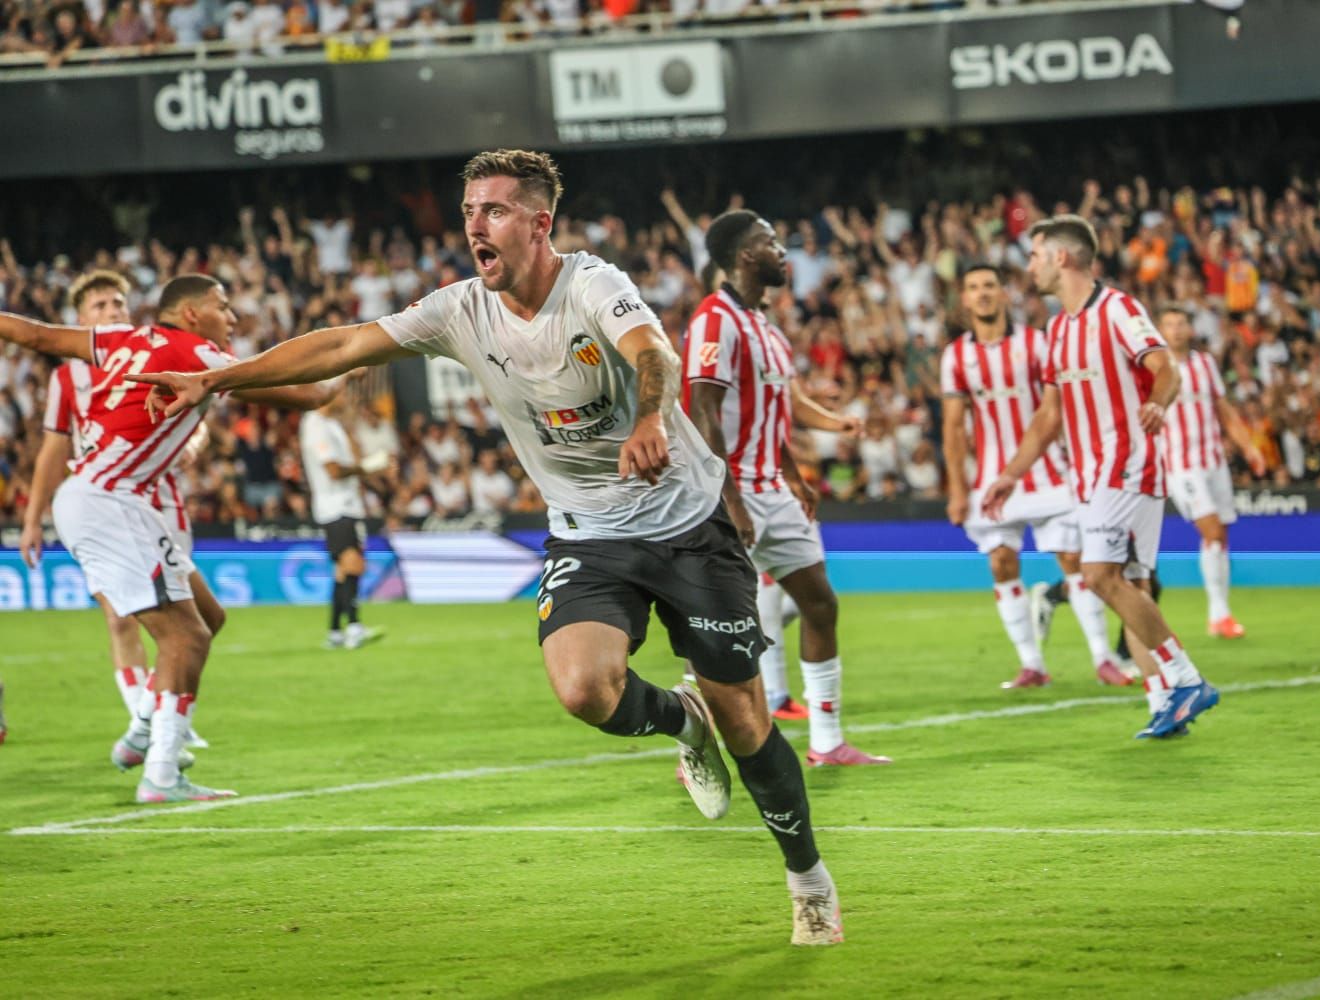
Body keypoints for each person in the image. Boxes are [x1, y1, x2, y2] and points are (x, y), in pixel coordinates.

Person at [130, 150, 844, 946]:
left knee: (748, 720)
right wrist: (218, 379)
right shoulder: (458, 309)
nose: (475, 223)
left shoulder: (593, 284)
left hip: (687, 524)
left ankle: (807, 876)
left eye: (495, 210)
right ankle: (682, 723)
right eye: (470, 210)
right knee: (583, 689)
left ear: (540, 224)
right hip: (589, 533)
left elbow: (655, 353)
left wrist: (648, 419)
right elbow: (340, 347)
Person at [0, 274, 335, 802]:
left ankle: (144, 731)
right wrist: (355, 368)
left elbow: (38, 337)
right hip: (110, 500)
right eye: (224, 307)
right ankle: (160, 771)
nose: (233, 318)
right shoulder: (198, 353)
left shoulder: (120, 340)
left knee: (207, 618)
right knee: (184, 637)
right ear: (194, 313)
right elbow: (308, 394)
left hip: (110, 497)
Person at [982, 215, 1218, 739]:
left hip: (1126, 464)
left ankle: (1186, 677)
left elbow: (1165, 367)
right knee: (1130, 585)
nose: (1031, 266)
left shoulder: (1118, 309)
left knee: (1097, 575)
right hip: (1091, 475)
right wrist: (1009, 475)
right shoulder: (1057, 329)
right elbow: (1049, 415)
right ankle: (1165, 704)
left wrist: (1157, 404)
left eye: (1036, 255)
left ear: (1061, 258)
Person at [683, 210, 889, 767]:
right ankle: (695, 753)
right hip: (728, 492)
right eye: (771, 243)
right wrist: (728, 499)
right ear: (745, 256)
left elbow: (776, 410)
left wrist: (799, 471)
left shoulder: (767, 328)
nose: (783, 252)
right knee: (716, 624)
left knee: (820, 603)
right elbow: (703, 411)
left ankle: (827, 741)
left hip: (773, 487)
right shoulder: (714, 319)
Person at [18, 270, 215, 764]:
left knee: (203, 617)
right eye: (100, 306)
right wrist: (32, 517)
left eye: (118, 302)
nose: (112, 311)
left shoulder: (148, 353)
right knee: (123, 616)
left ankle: (150, 720)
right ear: (81, 320)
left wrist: (194, 442)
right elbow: (53, 448)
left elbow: (199, 414)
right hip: (106, 502)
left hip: (163, 499)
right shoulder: (68, 378)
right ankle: (147, 727)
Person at [941, 264, 1130, 689]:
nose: (983, 293)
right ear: (965, 299)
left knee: (1073, 561)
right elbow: (953, 428)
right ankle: (1032, 665)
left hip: (1049, 474)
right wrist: (956, 489)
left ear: (1004, 294)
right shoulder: (956, 356)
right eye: (973, 287)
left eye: (989, 285)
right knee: (1001, 563)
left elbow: (1060, 409)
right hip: (991, 479)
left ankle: (1103, 658)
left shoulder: (1037, 343)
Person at [1158, 304, 1268, 638]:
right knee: (1212, 531)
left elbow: (1223, 409)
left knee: (1221, 536)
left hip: (1213, 461)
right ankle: (1218, 613)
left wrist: (1249, 447)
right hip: (1180, 464)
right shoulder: (1153, 368)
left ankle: (1220, 612)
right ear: (1160, 331)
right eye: (1170, 324)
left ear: (1190, 329)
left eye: (1181, 323)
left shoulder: (1205, 364)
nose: (1176, 330)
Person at [299, 388, 385, 650]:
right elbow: (334, 470)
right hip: (336, 507)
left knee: (342, 572)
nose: (347, 398)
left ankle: (336, 632)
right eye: (342, 394)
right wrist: (368, 467)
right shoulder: (316, 426)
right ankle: (356, 627)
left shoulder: (332, 425)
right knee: (354, 565)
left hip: (347, 505)